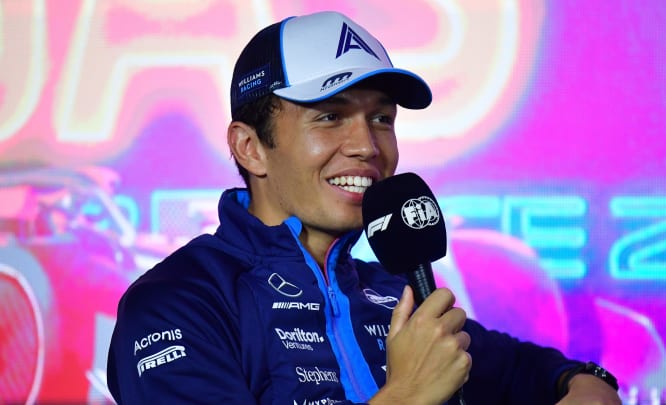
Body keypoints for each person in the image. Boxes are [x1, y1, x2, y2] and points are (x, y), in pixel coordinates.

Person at [106, 11, 622, 405]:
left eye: (381, 118)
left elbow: (530, 371)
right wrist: (407, 394)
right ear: (250, 148)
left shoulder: (397, 291)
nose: (368, 146)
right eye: (330, 116)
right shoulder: (177, 302)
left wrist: (585, 382)